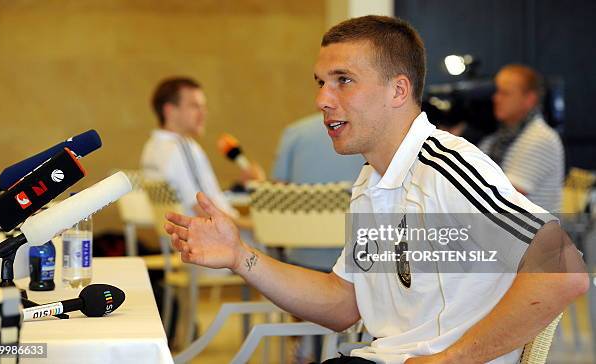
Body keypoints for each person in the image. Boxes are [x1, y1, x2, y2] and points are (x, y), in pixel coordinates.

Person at [164, 16, 587, 364]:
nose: (322, 100)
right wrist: (241, 257)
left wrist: (452, 359)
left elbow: (564, 272)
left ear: (398, 90)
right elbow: (343, 303)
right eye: (320, 82)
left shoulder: (445, 167)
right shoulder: (372, 179)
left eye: (343, 80)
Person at [141, 77, 261, 224]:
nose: (203, 113)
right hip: (216, 239)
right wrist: (254, 225)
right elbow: (204, 209)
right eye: (195, 106)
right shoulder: (181, 147)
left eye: (203, 106)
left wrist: (239, 188)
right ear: (170, 111)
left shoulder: (151, 146)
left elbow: (195, 198)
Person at [273, 112, 364, 272]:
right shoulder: (371, 134)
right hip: (361, 254)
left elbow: (279, 194)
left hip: (303, 255)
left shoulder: (295, 132)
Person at [479, 65, 564, 212]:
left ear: (529, 100)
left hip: (531, 234)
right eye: (496, 91)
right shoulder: (497, 139)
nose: (495, 98)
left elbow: (501, 196)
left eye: (504, 93)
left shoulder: (540, 138)